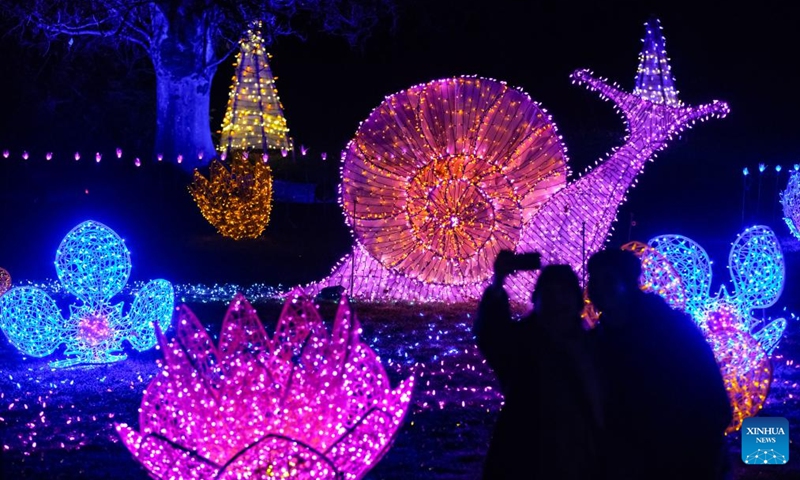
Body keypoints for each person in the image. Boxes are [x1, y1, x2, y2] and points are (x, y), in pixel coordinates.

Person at [587, 248, 732, 479]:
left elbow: (712, 393)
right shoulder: (597, 341)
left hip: (682, 456)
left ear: (629, 283)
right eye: (594, 280)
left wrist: (704, 449)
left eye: (609, 280)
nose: (598, 288)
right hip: (626, 462)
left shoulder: (672, 328)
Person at [474, 250, 603, 479]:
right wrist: (498, 283)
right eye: (551, 294)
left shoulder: (592, 346)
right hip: (526, 456)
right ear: (536, 299)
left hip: (580, 457)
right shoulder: (522, 343)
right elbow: (491, 334)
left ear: (577, 301)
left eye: (565, 293)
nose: (558, 301)